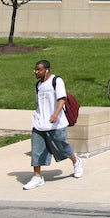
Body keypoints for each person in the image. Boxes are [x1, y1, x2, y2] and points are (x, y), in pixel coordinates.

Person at [24, 59, 82, 189]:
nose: (36, 72)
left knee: (62, 147)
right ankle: (37, 177)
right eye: (35, 69)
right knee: (36, 150)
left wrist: (55, 114)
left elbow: (62, 99)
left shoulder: (57, 81)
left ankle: (76, 161)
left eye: (39, 70)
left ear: (47, 70)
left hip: (56, 123)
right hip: (39, 122)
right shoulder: (38, 85)